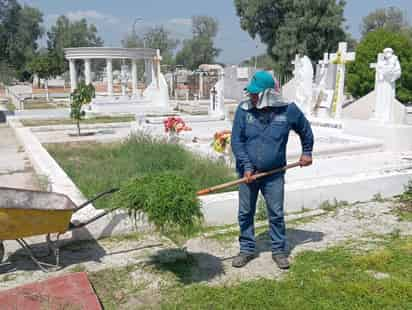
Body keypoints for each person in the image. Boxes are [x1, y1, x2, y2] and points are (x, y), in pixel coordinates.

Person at [231, 71, 314, 269]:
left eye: (255, 93)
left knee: (276, 213)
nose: (251, 96)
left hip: (274, 174)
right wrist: (247, 166)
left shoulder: (288, 111)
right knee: (245, 212)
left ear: (268, 93)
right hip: (247, 174)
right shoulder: (243, 110)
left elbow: (305, 130)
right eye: (250, 92)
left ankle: (278, 250)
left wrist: (307, 152)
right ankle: (247, 249)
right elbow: (237, 141)